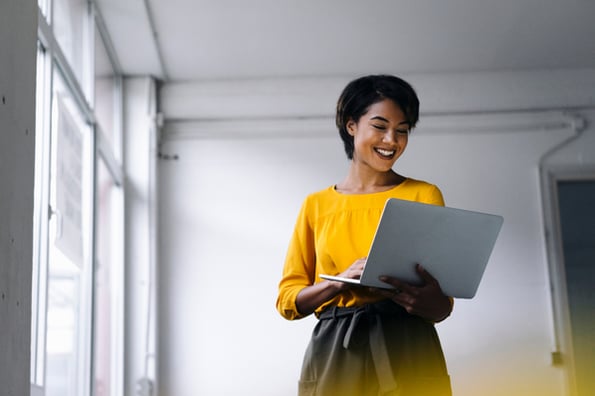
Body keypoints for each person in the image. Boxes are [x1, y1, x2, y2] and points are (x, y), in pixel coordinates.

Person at [276, 74, 453, 396]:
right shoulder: (317, 205)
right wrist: (337, 281)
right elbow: (288, 300)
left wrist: (426, 300)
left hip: (410, 346)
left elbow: (442, 307)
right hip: (337, 349)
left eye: (402, 130)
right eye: (380, 126)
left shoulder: (423, 194)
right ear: (351, 125)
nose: (391, 140)